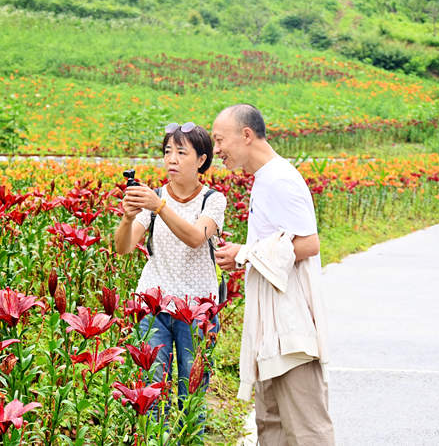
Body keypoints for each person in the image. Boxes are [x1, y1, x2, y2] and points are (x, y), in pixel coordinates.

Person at [212, 104, 335, 445]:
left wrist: (246, 253)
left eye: (220, 140)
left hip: (290, 328)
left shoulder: (279, 179)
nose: (217, 149)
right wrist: (244, 253)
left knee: (307, 430)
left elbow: (308, 243)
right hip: (273, 332)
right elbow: (280, 243)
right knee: (273, 429)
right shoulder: (266, 179)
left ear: (246, 135)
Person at [114, 121, 227, 412]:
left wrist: (159, 208)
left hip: (196, 311)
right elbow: (123, 247)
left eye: (181, 152)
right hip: (154, 308)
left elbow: (194, 238)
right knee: (151, 396)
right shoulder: (155, 197)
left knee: (191, 396)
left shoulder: (213, 201)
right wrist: (127, 218)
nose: (172, 159)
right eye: (167, 151)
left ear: (202, 160)